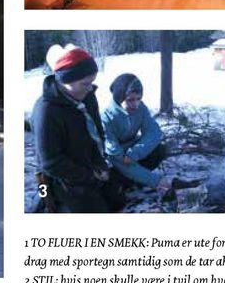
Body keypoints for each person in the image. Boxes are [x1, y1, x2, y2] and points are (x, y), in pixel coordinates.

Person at [31, 45, 125, 213]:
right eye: (85, 84)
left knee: (117, 201)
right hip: (63, 178)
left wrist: (99, 164)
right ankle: (53, 202)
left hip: (88, 167)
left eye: (91, 83)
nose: (90, 88)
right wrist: (88, 176)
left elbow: (97, 133)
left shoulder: (87, 97)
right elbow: (50, 163)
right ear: (66, 80)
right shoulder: (46, 111)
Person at [100, 73, 171, 194]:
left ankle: (136, 179)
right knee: (115, 186)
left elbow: (153, 132)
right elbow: (114, 154)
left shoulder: (140, 108)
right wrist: (155, 180)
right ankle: (134, 179)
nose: (136, 104)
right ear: (119, 97)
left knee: (159, 150)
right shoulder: (106, 117)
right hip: (115, 159)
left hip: (132, 151)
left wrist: (135, 153)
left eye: (139, 99)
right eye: (130, 100)